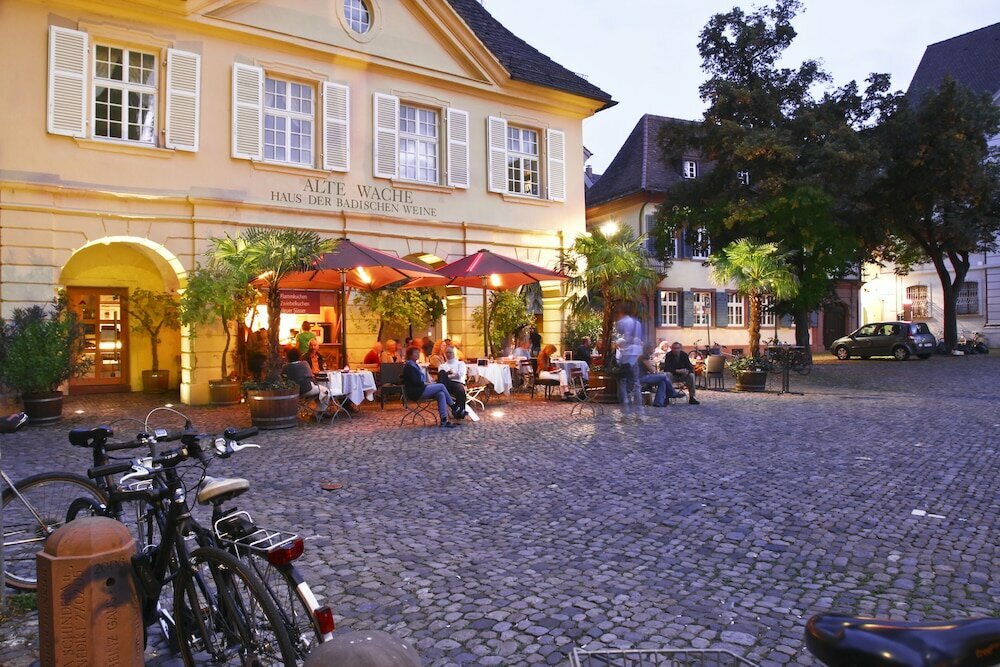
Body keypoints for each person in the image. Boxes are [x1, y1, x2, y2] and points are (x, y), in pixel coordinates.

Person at [401, 346, 462, 427]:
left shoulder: (415, 365)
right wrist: (427, 384)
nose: (418, 354)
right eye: (415, 353)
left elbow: (420, 381)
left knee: (441, 394)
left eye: (418, 353)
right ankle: (454, 407)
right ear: (410, 355)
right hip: (416, 392)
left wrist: (429, 383)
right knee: (441, 386)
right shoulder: (409, 366)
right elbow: (416, 382)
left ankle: (444, 420)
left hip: (420, 389)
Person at [615, 305, 644, 419]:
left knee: (622, 383)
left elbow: (618, 341)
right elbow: (639, 341)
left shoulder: (620, 323)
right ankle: (639, 413)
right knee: (636, 384)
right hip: (635, 356)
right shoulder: (637, 323)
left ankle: (625, 413)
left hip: (624, 356)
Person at [436, 346, 468, 411]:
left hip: (457, 382)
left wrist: (447, 375)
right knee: (442, 373)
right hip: (446, 384)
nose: (448, 354)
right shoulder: (442, 366)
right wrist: (451, 374)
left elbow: (460, 375)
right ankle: (455, 408)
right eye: (447, 352)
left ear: (454, 353)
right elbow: (441, 376)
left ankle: (460, 410)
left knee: (460, 389)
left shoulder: (460, 364)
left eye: (450, 352)